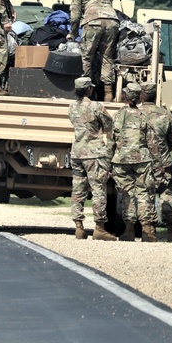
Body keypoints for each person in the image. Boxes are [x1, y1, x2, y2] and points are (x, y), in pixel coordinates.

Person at [68, 76, 117, 241]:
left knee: (78, 190)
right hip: (94, 153)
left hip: (77, 152)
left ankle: (79, 227)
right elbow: (109, 126)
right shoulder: (96, 106)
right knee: (98, 190)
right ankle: (99, 227)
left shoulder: (72, 107)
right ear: (89, 89)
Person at [111, 82, 157, 242]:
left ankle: (129, 230)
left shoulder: (117, 115)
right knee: (144, 193)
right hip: (142, 159)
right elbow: (152, 141)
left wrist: (109, 159)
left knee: (127, 194)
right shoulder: (144, 115)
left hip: (121, 159)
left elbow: (111, 140)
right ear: (139, 98)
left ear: (125, 95)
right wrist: (158, 162)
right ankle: (146, 231)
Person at [67, 0, 120, 103]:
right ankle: (108, 94)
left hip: (93, 22)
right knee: (107, 58)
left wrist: (72, 33)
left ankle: (86, 94)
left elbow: (75, 16)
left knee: (87, 57)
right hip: (112, 22)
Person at [139, 81, 172, 241]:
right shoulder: (165, 115)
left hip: (142, 163)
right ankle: (171, 232)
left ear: (141, 96)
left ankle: (148, 231)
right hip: (163, 163)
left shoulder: (136, 114)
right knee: (167, 196)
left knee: (145, 197)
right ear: (156, 95)